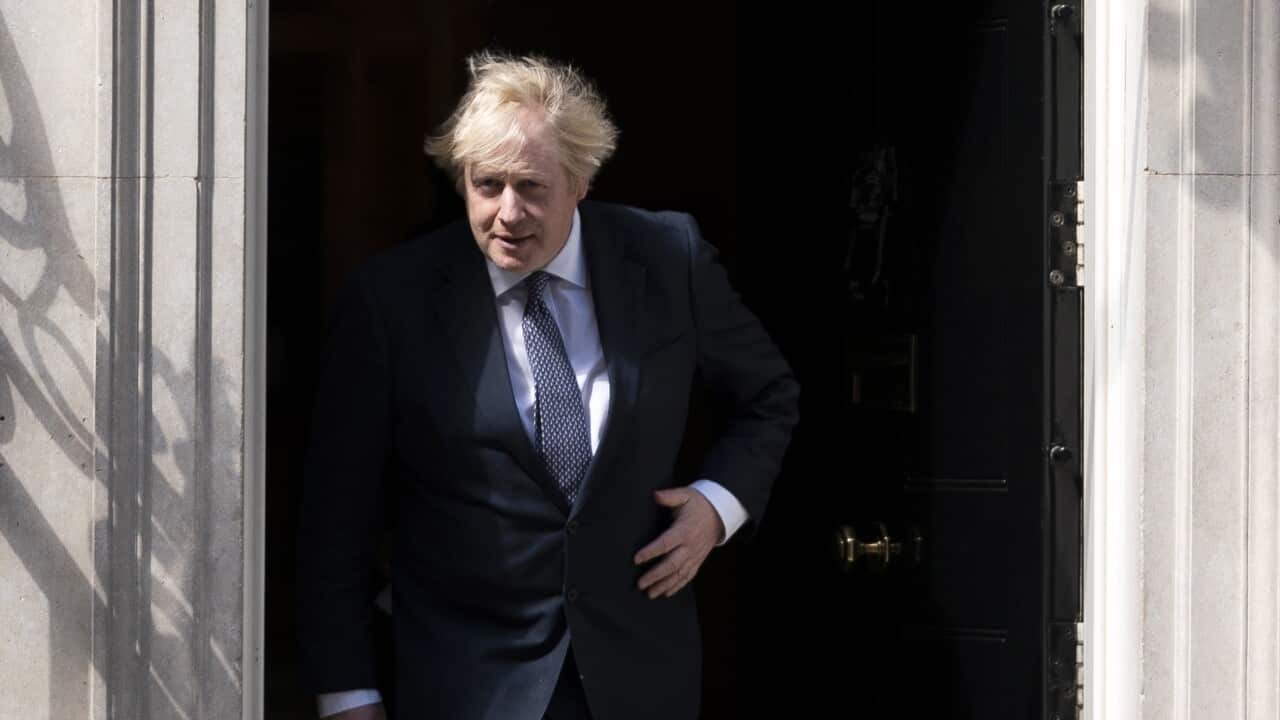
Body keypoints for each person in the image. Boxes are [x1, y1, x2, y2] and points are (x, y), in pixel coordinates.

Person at [296, 51, 799, 720]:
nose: (507, 212)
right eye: (487, 185)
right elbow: (336, 516)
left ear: (581, 180)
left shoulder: (667, 258)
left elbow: (768, 397)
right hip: (465, 684)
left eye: (531, 187)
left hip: (638, 676)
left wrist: (716, 506)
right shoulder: (392, 301)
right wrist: (347, 694)